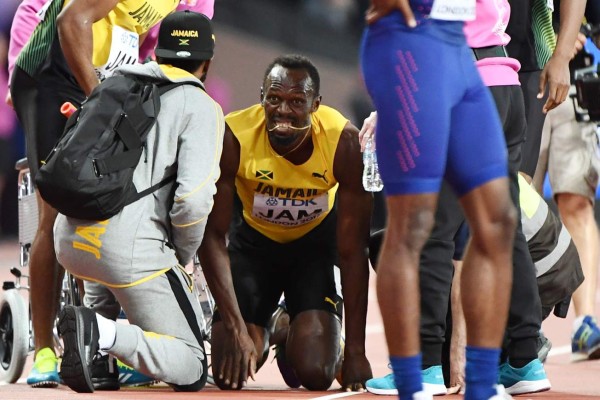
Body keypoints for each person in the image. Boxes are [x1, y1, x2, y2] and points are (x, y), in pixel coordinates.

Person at [51, 10, 253, 393]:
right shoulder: (200, 106)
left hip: (70, 240)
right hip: (126, 254)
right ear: (207, 62)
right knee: (191, 364)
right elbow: (193, 202)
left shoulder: (115, 82)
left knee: (110, 264)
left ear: (157, 52)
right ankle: (100, 333)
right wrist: (182, 257)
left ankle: (99, 356)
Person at [9, 0, 178, 388]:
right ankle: (46, 350)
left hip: (107, 74)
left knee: (113, 201)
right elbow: (71, 21)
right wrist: (103, 103)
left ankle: (108, 340)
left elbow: (159, 44)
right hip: (49, 74)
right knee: (55, 210)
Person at [360, 1, 518, 400]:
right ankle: (411, 386)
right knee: (412, 225)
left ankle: (481, 385)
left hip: (457, 48)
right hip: (410, 43)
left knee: (498, 220)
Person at [198, 54, 374, 391]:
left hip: (313, 252)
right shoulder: (233, 136)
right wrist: (235, 329)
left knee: (316, 374)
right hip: (253, 249)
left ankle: (296, 328)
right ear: (261, 97)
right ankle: (276, 324)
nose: (283, 111)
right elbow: (213, 237)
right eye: (274, 99)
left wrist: (355, 351)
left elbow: (354, 253)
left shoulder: (344, 143)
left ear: (315, 105)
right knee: (228, 373)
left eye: (297, 101)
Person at [533, 30, 600, 362]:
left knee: (576, 201)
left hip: (575, 83)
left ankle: (585, 322)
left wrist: (580, 31)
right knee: (515, 205)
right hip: (520, 77)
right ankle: (523, 324)